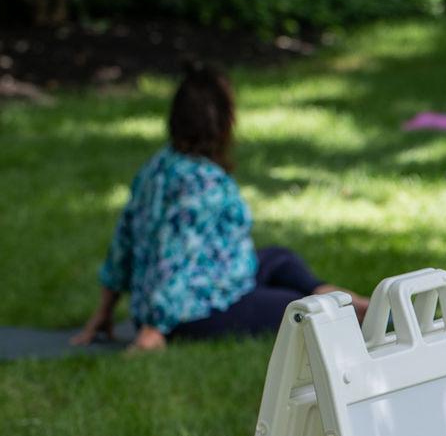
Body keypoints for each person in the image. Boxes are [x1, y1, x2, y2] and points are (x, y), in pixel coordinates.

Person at [73, 66, 368, 352]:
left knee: (279, 258)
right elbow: (172, 255)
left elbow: (123, 241)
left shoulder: (157, 166)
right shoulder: (203, 185)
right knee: (298, 309)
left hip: (214, 277)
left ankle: (328, 292)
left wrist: (105, 310)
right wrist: (155, 327)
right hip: (192, 311)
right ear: (223, 121)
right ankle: (348, 312)